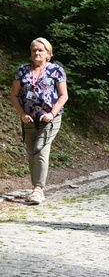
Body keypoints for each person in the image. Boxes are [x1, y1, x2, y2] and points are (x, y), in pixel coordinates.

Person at [10, 37, 69, 206]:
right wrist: (21, 113)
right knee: (31, 152)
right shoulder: (22, 70)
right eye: (34, 50)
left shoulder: (56, 70)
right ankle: (36, 187)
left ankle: (38, 190)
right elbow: (14, 95)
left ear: (48, 53)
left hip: (50, 118)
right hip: (29, 118)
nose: (37, 52)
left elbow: (64, 95)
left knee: (40, 149)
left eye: (41, 50)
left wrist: (52, 113)